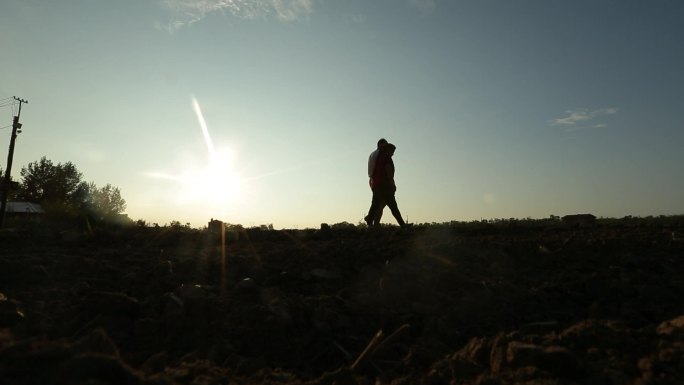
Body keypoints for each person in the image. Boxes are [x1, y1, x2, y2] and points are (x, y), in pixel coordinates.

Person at [366, 142, 409, 228]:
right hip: (385, 185)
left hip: (376, 184)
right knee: (393, 206)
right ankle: (402, 225)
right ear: (388, 150)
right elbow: (388, 171)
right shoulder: (386, 158)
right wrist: (392, 184)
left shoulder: (377, 157)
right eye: (392, 151)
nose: (393, 154)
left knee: (375, 204)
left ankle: (370, 219)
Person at [365, 138, 387, 226]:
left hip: (373, 179)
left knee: (379, 202)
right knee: (382, 202)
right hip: (378, 180)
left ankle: (371, 217)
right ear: (380, 145)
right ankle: (374, 221)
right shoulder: (380, 154)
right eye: (385, 145)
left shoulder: (372, 154)